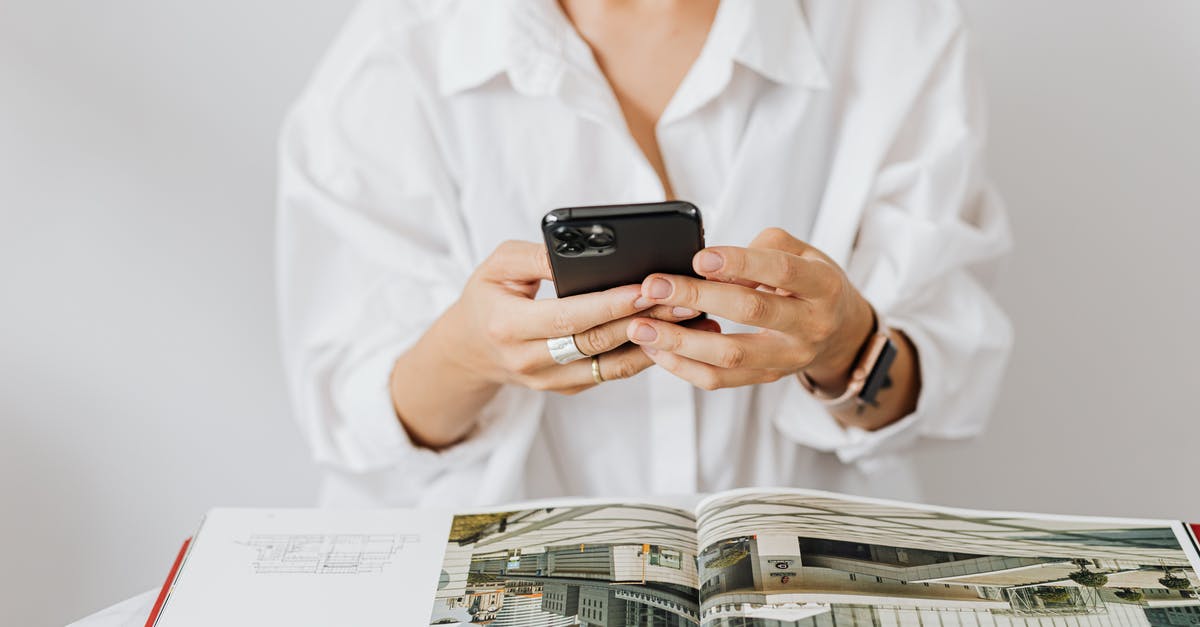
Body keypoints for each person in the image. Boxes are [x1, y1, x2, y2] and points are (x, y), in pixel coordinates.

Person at [276, 0, 1012, 509]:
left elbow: (946, 381)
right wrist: (469, 356)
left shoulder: (895, 30)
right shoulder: (396, 52)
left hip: (807, 568)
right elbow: (354, 427)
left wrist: (847, 342)